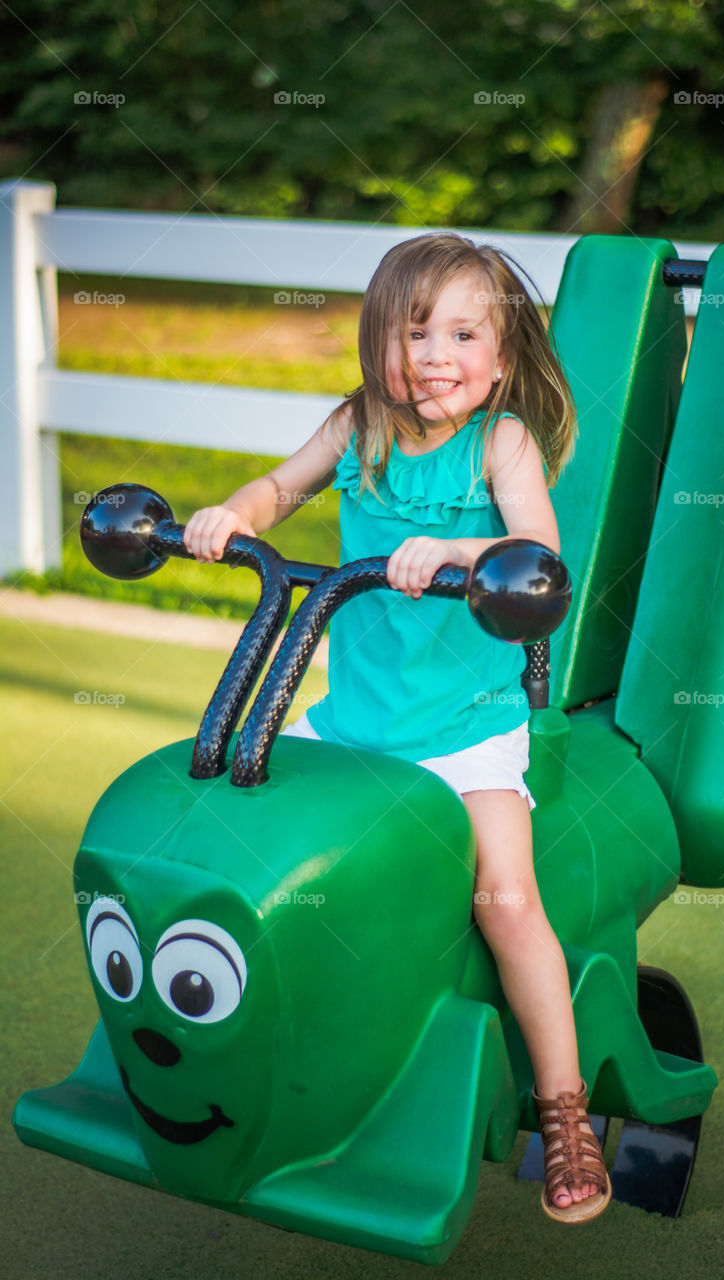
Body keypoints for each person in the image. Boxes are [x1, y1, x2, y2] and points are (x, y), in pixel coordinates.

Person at [183, 232, 611, 1224]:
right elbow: (279, 488)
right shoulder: (358, 426)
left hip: (466, 728)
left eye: (462, 332)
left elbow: (536, 547)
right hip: (354, 722)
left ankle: (563, 1107)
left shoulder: (500, 440)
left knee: (505, 900)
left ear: (501, 358)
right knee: (274, 854)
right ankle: (282, 1058)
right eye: (413, 330)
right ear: (378, 341)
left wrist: (456, 547)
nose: (433, 353)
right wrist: (229, 512)